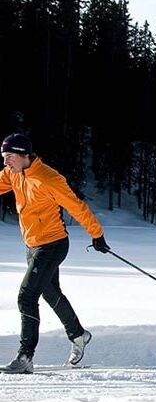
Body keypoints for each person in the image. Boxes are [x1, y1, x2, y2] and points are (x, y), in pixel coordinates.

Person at [0, 133, 111, 374]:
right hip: (32, 245)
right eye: (3, 158)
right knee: (50, 293)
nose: (5, 162)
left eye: (9, 157)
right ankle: (79, 335)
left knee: (26, 296)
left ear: (24, 155)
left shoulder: (48, 178)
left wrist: (96, 233)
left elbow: (76, 205)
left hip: (53, 244)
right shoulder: (13, 174)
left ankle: (25, 356)